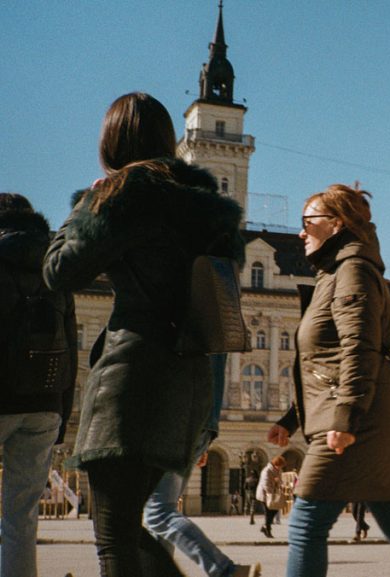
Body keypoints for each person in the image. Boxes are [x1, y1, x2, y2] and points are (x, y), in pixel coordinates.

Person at [43, 92, 245, 576]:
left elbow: (58, 272)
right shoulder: (212, 209)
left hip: (132, 381)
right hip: (190, 382)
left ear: (112, 142)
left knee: (113, 537)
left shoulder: (128, 194)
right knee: (132, 528)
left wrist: (86, 205)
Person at [266, 183, 390, 577]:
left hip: (360, 421)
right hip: (368, 414)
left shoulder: (352, 270)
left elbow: (360, 348)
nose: (301, 232)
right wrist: (291, 420)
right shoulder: (336, 271)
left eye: (309, 222)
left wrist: (346, 419)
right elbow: (327, 363)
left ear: (336, 223)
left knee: (306, 524)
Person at [0, 192, 76, 577]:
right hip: (45, 402)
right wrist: (61, 410)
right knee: (22, 517)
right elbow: (71, 343)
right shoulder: (53, 264)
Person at [143, 354, 261, 577]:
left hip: (175, 421)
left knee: (158, 513)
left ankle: (226, 571)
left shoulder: (183, 320)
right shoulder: (213, 322)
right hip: (201, 423)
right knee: (160, 519)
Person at [256, 456, 286, 538]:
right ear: (276, 464)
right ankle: (268, 530)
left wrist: (281, 485)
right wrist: (271, 494)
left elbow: (280, 480)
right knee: (268, 512)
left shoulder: (278, 470)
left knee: (275, 509)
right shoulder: (267, 470)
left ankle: (265, 527)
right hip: (265, 495)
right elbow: (265, 484)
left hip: (273, 494)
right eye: (280, 465)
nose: (280, 467)